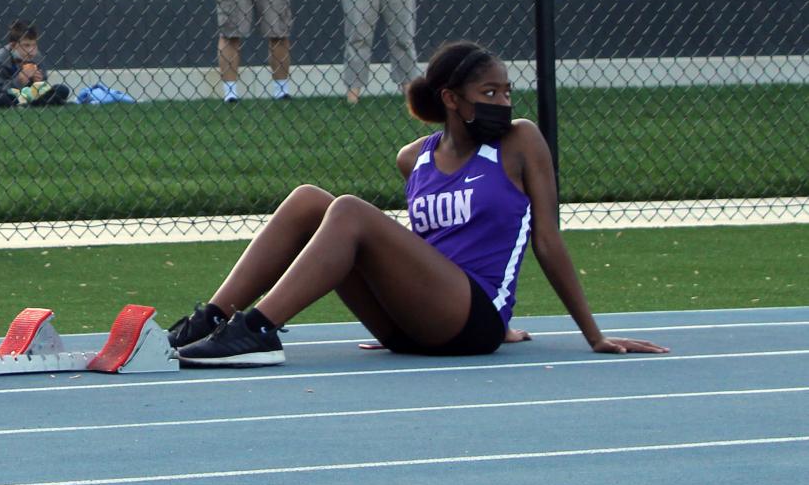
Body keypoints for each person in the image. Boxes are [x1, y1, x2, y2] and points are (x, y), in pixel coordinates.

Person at [166, 40, 669, 365]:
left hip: (470, 322)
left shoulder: (520, 143)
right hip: (415, 319)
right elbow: (429, 247)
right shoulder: (415, 158)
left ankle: (257, 328)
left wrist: (593, 335)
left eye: (506, 91)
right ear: (451, 99)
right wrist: (399, 300)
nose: (503, 102)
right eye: (489, 92)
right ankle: (210, 319)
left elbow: (548, 242)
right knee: (308, 201)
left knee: (349, 210)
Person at [0, 19, 71, 108]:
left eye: (34, 45)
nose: (32, 51)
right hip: (8, 95)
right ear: (14, 45)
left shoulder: (37, 56)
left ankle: (31, 104)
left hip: (31, 95)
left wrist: (39, 81)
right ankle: (32, 104)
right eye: (26, 45)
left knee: (62, 90)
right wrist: (18, 81)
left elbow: (42, 85)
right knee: (0, 99)